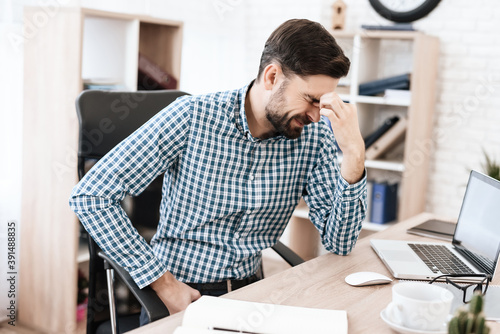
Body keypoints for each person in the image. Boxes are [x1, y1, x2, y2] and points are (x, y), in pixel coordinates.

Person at [69, 18, 367, 322]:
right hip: (180, 293)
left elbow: (339, 242)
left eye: (325, 103)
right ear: (272, 76)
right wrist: (165, 284)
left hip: (253, 294)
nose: (317, 116)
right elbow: (91, 195)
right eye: (311, 100)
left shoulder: (313, 137)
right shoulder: (193, 117)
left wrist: (354, 155)